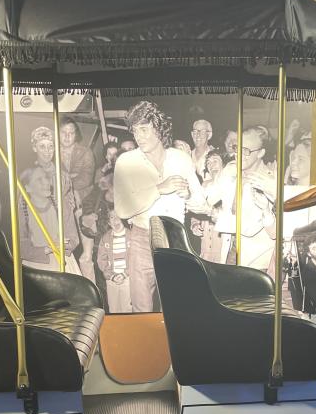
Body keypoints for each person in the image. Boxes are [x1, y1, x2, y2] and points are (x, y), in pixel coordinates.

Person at [113, 100, 207, 312]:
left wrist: (189, 194)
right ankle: (144, 345)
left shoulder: (181, 158)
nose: (139, 136)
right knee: (141, 307)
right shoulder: (126, 162)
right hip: (140, 237)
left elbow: (202, 204)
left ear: (158, 127)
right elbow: (122, 209)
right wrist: (159, 189)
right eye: (135, 131)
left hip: (174, 238)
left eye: (144, 129)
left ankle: (174, 345)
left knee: (175, 305)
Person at [209, 125, 277, 273]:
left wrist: (219, 216)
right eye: (237, 148)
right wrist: (225, 173)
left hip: (257, 264)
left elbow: (250, 227)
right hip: (230, 253)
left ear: (260, 153)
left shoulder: (268, 182)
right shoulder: (233, 171)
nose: (238, 154)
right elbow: (209, 198)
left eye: (246, 150)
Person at [20, 126, 80, 268]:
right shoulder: (28, 175)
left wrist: (68, 243)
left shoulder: (63, 176)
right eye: (42, 146)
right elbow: (22, 215)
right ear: (34, 148)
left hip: (59, 236)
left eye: (50, 146)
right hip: (39, 242)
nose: (47, 151)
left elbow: (68, 211)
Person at [58, 120, 96, 280]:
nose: (67, 136)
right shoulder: (51, 152)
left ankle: (92, 293)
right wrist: (71, 176)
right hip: (60, 208)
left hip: (84, 206)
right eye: (63, 132)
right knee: (63, 252)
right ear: (58, 133)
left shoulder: (85, 152)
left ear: (76, 134)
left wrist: (65, 180)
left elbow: (86, 178)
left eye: (71, 132)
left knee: (86, 256)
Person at [97, 208, 133, 313]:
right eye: (112, 217)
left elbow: (135, 259)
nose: (116, 220)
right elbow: (101, 260)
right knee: (114, 308)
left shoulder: (132, 236)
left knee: (127, 308)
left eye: (118, 216)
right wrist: (111, 275)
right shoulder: (105, 238)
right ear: (108, 222)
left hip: (128, 279)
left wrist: (125, 274)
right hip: (111, 280)